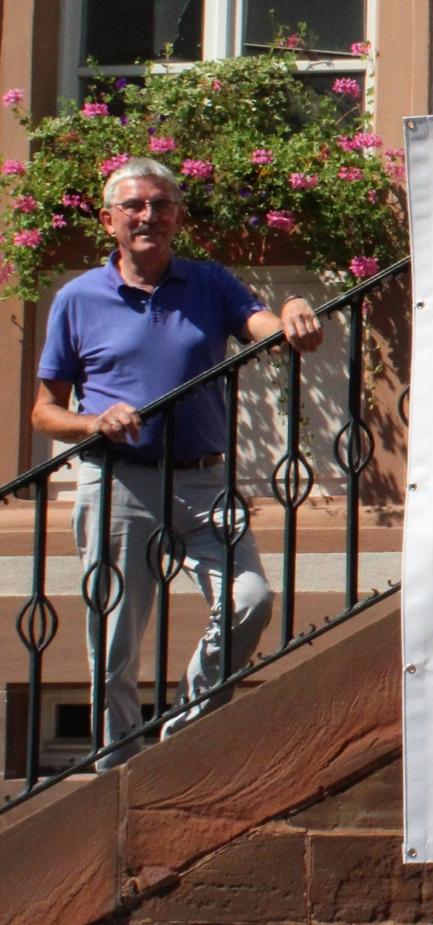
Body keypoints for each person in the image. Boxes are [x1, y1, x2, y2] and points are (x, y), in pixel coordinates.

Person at [31, 158, 325, 768]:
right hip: (118, 482)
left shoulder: (208, 283)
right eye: (135, 206)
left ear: (178, 218)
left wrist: (293, 307)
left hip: (203, 479)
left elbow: (262, 327)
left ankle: (182, 734)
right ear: (109, 219)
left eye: (161, 205)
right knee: (113, 637)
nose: (149, 216)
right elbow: (44, 411)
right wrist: (93, 422)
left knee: (250, 600)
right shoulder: (77, 298)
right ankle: (117, 762)